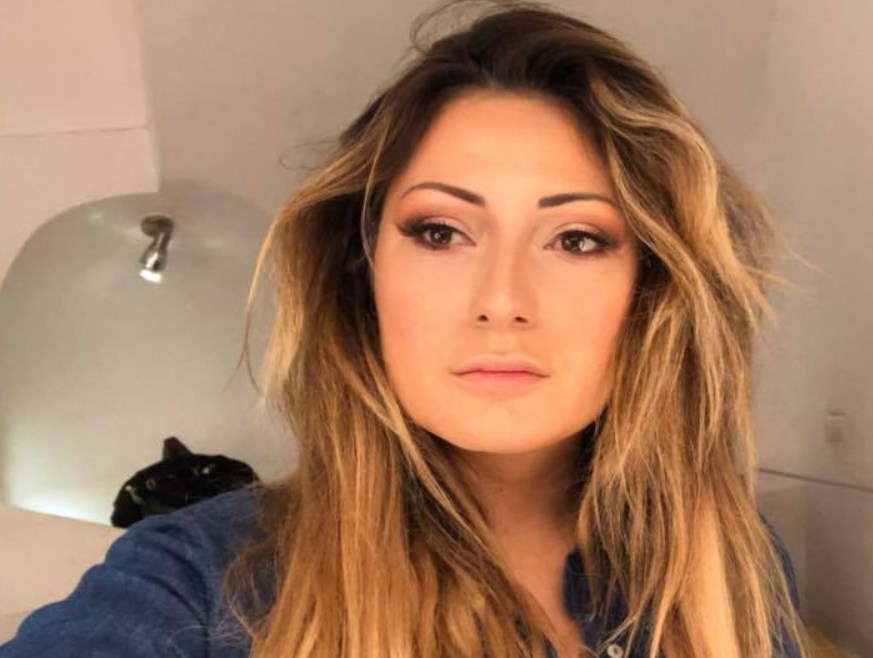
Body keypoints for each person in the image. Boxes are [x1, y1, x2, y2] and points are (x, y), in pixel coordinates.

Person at [0, 1, 806, 656]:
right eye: (440, 232)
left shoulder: (730, 568)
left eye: (576, 239)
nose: (501, 299)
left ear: (652, 289)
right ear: (363, 273)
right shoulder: (198, 582)